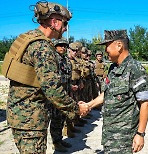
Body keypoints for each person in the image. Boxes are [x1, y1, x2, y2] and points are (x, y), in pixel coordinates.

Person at [2, 1, 89, 153]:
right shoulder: (43, 47)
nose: (65, 28)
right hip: (31, 120)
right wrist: (76, 109)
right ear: (54, 22)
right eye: (65, 22)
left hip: (20, 116)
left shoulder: (27, 38)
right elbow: (52, 89)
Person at [85, 30, 148, 153]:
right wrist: (89, 105)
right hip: (109, 134)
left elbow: (145, 103)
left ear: (119, 46)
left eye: (107, 46)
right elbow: (107, 94)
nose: (106, 51)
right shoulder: (113, 68)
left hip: (124, 138)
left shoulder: (135, 69)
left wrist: (140, 134)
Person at [50, 38, 72, 152]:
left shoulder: (66, 60)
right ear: (55, 46)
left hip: (65, 93)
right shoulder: (54, 59)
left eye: (64, 45)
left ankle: (59, 139)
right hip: (57, 95)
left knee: (62, 117)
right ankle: (55, 142)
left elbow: (69, 76)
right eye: (60, 45)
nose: (63, 47)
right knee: (56, 119)